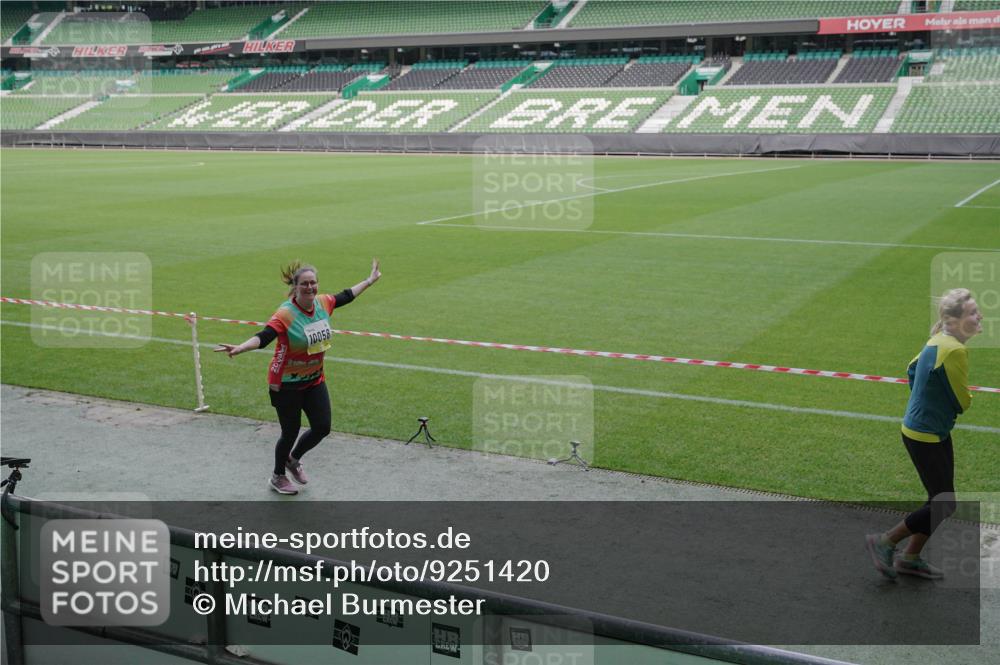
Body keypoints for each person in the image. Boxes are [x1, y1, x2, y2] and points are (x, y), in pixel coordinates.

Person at [215, 259, 381, 495]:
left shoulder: (323, 303)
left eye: (313, 283)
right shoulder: (286, 314)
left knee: (322, 427)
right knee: (290, 432)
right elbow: (264, 336)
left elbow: (346, 296)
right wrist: (241, 347)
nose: (310, 287)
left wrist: (369, 281)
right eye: (305, 284)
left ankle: (292, 459)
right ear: (296, 287)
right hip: (286, 384)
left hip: (314, 379)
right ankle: (277, 476)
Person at [866, 288, 983, 579]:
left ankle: (911, 557)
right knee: (944, 503)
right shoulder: (955, 350)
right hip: (926, 435)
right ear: (954, 321)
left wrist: (924, 403)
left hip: (924, 430)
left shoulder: (938, 340)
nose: (979, 316)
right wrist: (955, 402)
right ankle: (885, 542)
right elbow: (961, 401)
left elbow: (911, 369)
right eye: (972, 312)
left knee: (939, 500)